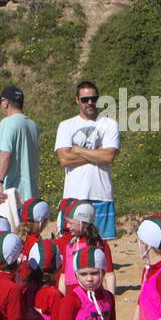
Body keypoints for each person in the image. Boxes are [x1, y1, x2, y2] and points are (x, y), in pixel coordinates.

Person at [55, 80, 120, 239]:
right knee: (71, 243)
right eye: (85, 99)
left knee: (101, 243)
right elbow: (64, 159)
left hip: (101, 195)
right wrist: (97, 153)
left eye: (93, 98)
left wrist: (78, 150)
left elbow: (109, 156)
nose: (90, 102)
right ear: (77, 100)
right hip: (74, 196)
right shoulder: (66, 125)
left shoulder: (110, 124)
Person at [0, 85, 39, 206]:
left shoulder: (8, 122)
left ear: (5, 103)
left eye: (0, 102)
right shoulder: (33, 125)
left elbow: (5, 154)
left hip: (8, 194)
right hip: (29, 192)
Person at [57, 200, 115, 295]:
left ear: (83, 222)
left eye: (70, 222)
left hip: (94, 295)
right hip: (71, 296)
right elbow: (63, 276)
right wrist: (61, 298)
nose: (67, 226)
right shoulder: (69, 245)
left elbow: (109, 274)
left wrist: (111, 297)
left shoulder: (100, 245)